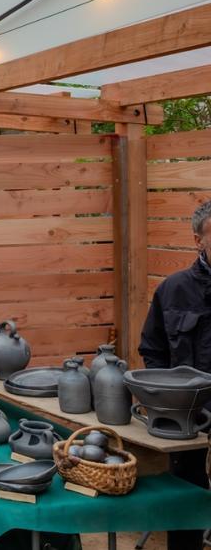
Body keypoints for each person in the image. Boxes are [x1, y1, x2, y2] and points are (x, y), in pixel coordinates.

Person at [139, 200, 211, 550]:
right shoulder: (173, 290)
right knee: (187, 490)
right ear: (198, 239)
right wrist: (168, 398)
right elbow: (152, 349)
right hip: (189, 414)